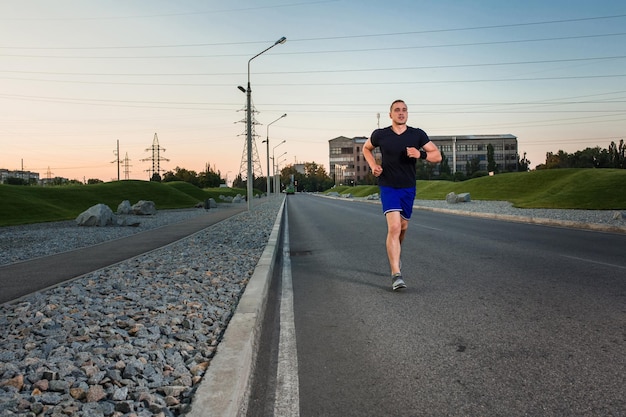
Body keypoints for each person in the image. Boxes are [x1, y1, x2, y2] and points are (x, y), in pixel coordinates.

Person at [362, 99, 442, 291]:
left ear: (407, 114)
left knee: (403, 227)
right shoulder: (380, 134)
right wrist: (374, 166)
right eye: (397, 110)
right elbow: (366, 148)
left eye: (404, 110)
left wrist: (420, 154)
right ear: (390, 114)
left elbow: (437, 156)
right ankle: (396, 273)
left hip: (408, 187)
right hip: (388, 185)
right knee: (395, 227)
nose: (401, 113)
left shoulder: (417, 135)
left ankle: (396, 254)